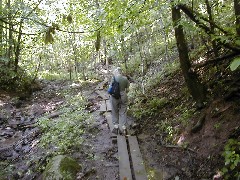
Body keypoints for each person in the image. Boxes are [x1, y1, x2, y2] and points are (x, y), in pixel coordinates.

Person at [110, 67, 130, 135]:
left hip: (114, 96)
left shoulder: (114, 78)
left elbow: (110, 88)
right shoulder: (125, 79)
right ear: (121, 72)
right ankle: (124, 128)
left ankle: (116, 127)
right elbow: (127, 90)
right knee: (123, 111)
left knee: (115, 110)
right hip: (123, 95)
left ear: (116, 72)